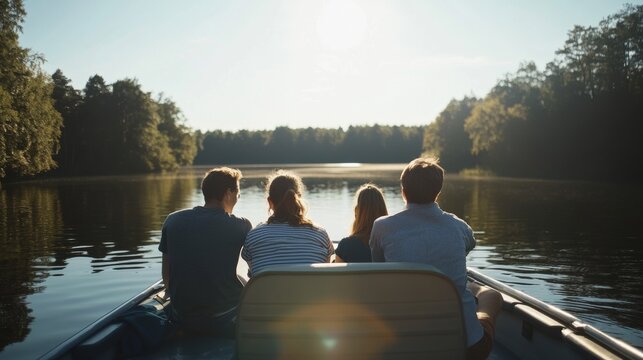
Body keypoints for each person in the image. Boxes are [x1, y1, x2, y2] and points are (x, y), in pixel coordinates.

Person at [370, 158, 502, 359]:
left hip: (403, 344)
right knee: (491, 295)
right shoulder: (459, 227)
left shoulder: (382, 227)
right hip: (466, 348)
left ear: (403, 191)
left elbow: (378, 269)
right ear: (437, 193)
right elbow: (469, 245)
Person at [159, 167, 252, 337]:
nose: (238, 198)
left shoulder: (172, 220)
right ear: (228, 193)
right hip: (224, 319)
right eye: (238, 193)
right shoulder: (242, 226)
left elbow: (167, 277)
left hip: (181, 318)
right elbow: (254, 270)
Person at [242, 170, 334, 277]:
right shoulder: (320, 234)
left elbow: (254, 272)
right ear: (298, 199)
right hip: (312, 293)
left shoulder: (254, 236)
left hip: (267, 293)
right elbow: (325, 272)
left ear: (269, 202)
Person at [335, 183, 388, 263]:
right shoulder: (391, 244)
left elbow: (337, 274)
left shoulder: (345, 246)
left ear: (356, 212)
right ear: (383, 211)